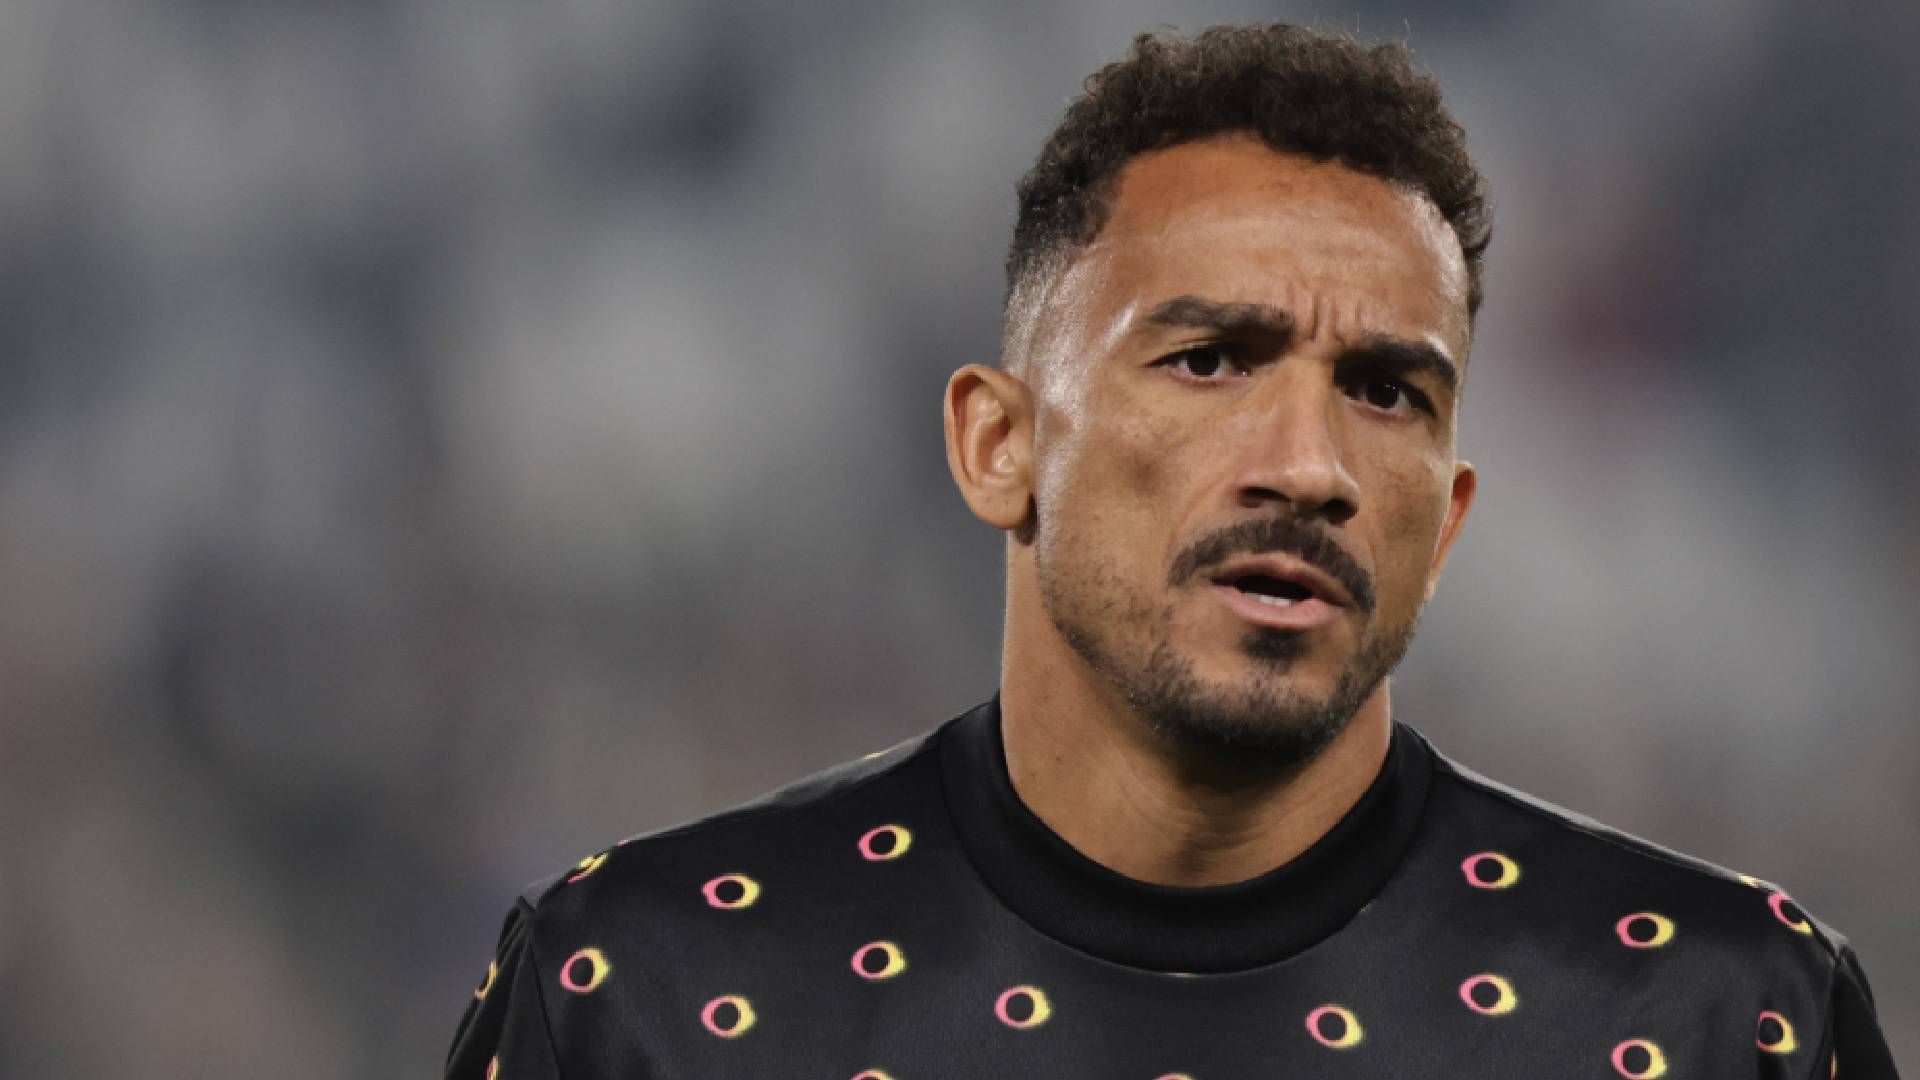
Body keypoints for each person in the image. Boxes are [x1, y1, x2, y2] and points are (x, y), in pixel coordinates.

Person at [442, 24, 1901, 1079]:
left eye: (1385, 392)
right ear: (999, 445)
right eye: (1209, 360)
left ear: (1448, 519)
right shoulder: (644, 995)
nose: (1308, 466)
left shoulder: (1718, 1019)